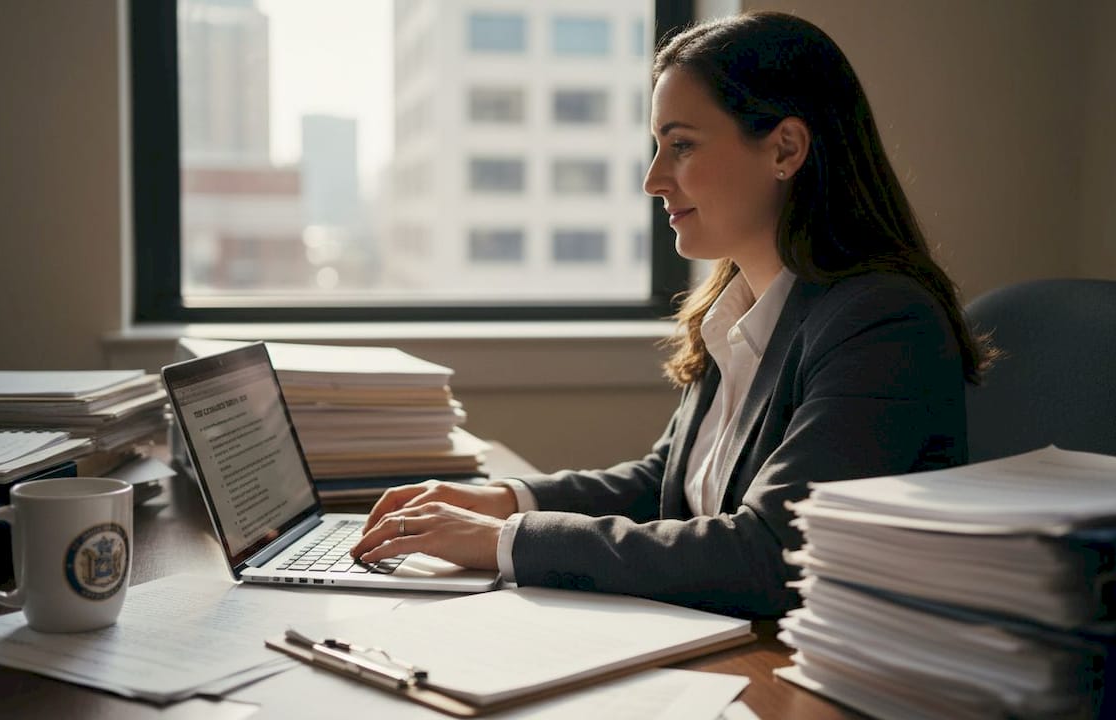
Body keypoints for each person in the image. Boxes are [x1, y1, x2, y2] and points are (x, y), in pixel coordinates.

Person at [350, 11, 992, 619]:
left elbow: (773, 553)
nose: (653, 178)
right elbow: (668, 480)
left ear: (785, 150)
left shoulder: (883, 322)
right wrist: (507, 499)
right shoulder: (736, 303)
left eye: (680, 145)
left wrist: (505, 541)